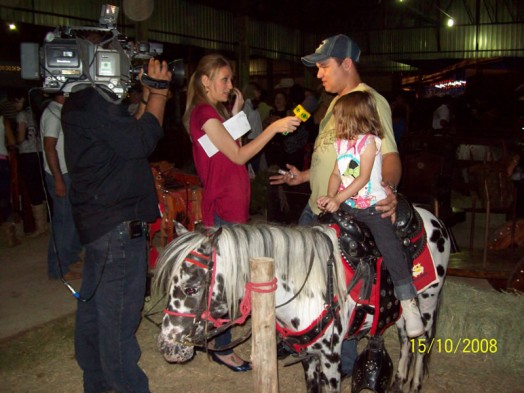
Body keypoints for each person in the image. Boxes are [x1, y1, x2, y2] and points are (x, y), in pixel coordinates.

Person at [270, 34, 401, 377]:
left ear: (347, 64)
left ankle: (341, 365)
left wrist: (389, 189)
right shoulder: (335, 104)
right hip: (318, 207)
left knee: (339, 288)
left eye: (324, 66)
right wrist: (303, 177)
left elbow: (389, 156)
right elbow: (342, 159)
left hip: (347, 213)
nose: (318, 74)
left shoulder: (370, 101)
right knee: (305, 281)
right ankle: (306, 342)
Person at [183, 53, 300, 372]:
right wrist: (274, 127)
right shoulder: (203, 113)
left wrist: (234, 112)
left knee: (229, 277)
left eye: (231, 79)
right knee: (226, 280)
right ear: (205, 81)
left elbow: (224, 148)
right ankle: (221, 346)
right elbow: (237, 155)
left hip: (231, 203)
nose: (231, 85)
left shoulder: (212, 113)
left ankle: (217, 339)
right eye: (225, 79)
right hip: (222, 206)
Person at [62, 57, 171, 393]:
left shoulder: (81, 102)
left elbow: (126, 138)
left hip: (100, 225)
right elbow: (142, 141)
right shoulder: (96, 104)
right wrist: (160, 94)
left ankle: (96, 382)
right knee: (119, 320)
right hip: (117, 228)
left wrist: (144, 97)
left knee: (95, 312)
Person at [317, 91, 424, 338]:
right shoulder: (341, 144)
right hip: (347, 203)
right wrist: (328, 196)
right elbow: (336, 174)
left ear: (355, 117)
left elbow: (363, 177)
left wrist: (338, 199)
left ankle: (408, 301)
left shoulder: (370, 143)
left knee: (389, 246)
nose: (336, 123)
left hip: (371, 207)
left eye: (339, 118)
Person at [40, 92, 82, 280]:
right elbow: (49, 147)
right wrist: (58, 179)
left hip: (66, 173)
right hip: (60, 175)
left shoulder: (59, 111)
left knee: (71, 220)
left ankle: (69, 256)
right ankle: (58, 268)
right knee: (62, 223)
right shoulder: (52, 115)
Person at [15, 92, 48, 237]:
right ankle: (46, 222)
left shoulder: (21, 115)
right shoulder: (37, 114)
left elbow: (21, 137)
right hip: (40, 153)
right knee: (42, 187)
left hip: (27, 155)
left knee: (33, 188)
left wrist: (15, 143)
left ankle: (40, 226)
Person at [242, 82, 264, 173]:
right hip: (251, 141)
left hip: (256, 140)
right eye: (257, 91)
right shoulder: (246, 106)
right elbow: (243, 125)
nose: (259, 94)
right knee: (252, 170)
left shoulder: (252, 105)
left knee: (254, 169)